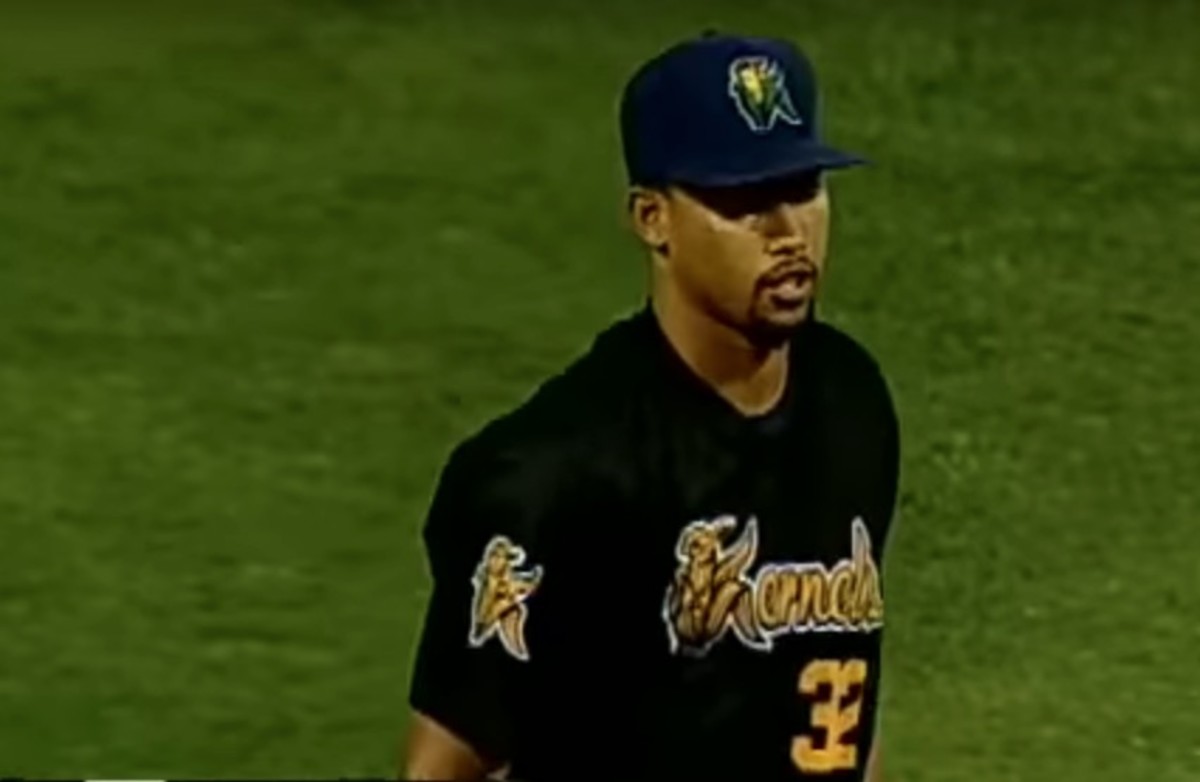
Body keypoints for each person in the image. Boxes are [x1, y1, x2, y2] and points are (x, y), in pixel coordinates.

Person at [402, 30, 900, 782]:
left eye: (803, 190)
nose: (787, 232)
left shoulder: (849, 402)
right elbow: (447, 771)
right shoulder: (549, 476)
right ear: (651, 218)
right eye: (742, 201)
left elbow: (843, 700)